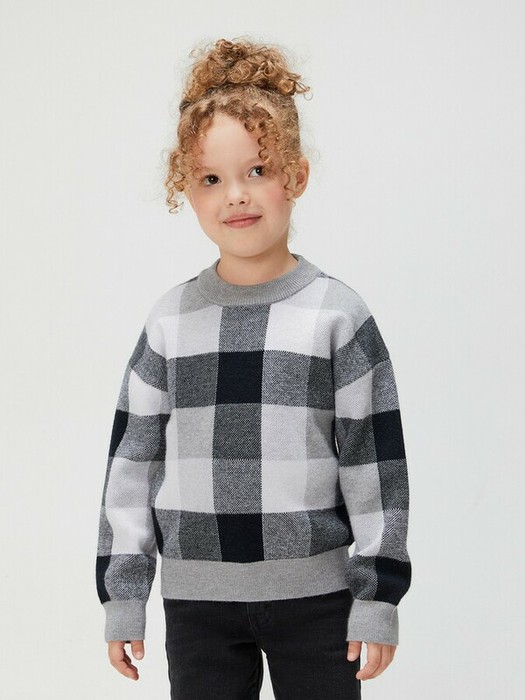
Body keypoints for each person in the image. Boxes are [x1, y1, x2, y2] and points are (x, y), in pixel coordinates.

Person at [96, 37, 411, 699]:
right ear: (187, 191)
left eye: (258, 170)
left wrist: (377, 595)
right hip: (196, 607)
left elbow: (373, 464)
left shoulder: (337, 315)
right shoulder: (169, 321)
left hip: (318, 602)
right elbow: (131, 465)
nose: (235, 196)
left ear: (296, 176)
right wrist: (124, 594)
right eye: (211, 179)